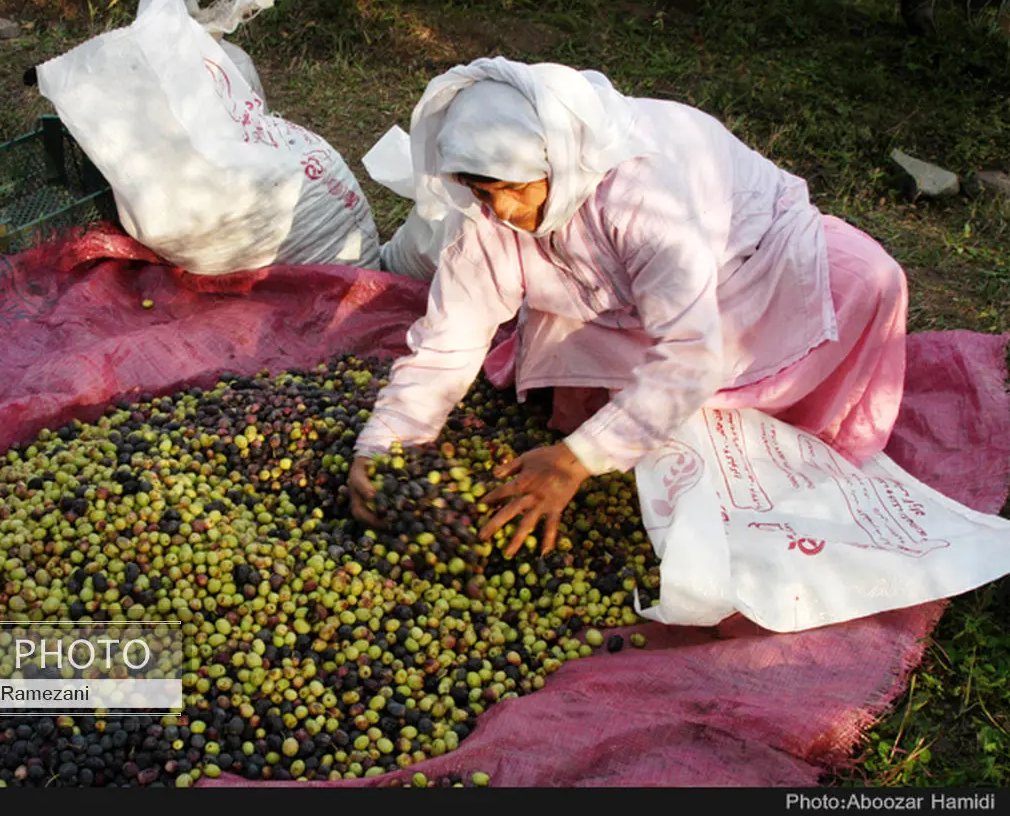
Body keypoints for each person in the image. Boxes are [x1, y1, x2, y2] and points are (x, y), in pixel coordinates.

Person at [347, 56, 908, 559]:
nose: (500, 210)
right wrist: (385, 443)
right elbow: (449, 341)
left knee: (872, 280)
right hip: (615, 297)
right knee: (625, 418)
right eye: (479, 189)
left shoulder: (644, 199)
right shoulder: (486, 218)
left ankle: (796, 423)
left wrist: (574, 460)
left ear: (557, 161)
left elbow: (692, 353)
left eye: (511, 188)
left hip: (748, 261)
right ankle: (659, 420)